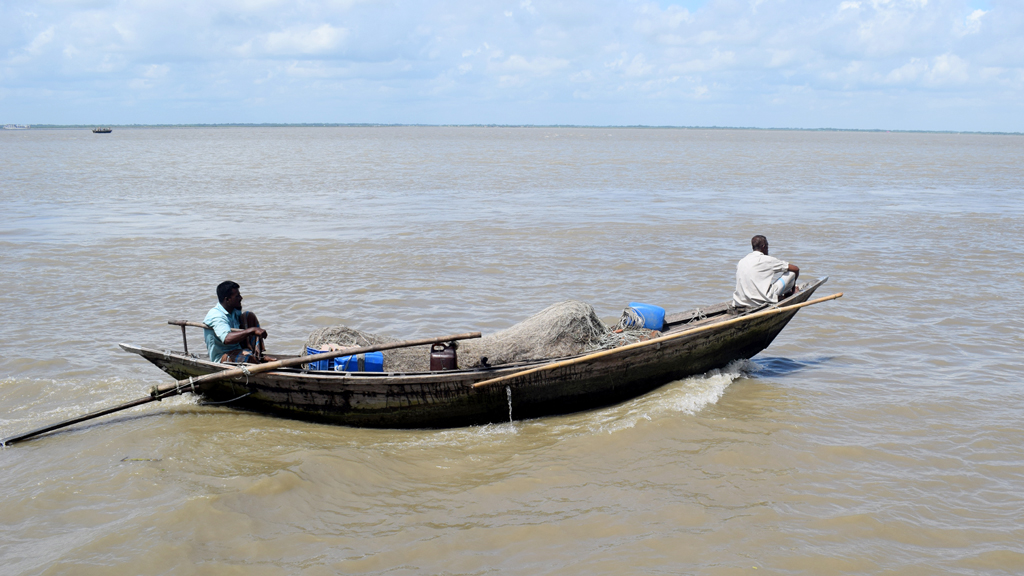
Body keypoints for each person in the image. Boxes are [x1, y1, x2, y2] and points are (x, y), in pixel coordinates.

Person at [203, 281, 270, 363]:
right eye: (237, 296)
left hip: (238, 350)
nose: (241, 298)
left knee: (248, 315)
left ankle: (257, 354)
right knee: (250, 359)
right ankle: (254, 359)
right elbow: (227, 338)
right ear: (227, 299)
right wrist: (252, 330)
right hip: (222, 356)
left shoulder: (233, 310)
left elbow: (243, 321)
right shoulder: (217, 316)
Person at [732, 235, 800, 308]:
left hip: (739, 302)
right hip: (760, 303)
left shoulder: (742, 261)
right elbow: (795, 269)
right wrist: (792, 288)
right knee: (791, 273)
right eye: (767, 247)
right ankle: (791, 293)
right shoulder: (767, 260)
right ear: (764, 247)